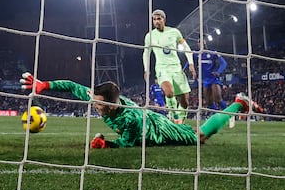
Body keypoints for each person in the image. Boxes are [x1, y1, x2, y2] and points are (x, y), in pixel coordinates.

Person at [20, 72, 263, 148]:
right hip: (147, 122)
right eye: (95, 101)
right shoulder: (100, 98)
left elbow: (128, 144)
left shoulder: (130, 120)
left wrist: (106, 144)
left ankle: (239, 102)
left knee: (199, 137)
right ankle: (239, 104)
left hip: (157, 128)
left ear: (112, 104)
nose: (95, 105)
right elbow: (73, 86)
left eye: (99, 103)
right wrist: (44, 85)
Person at [143, 9, 196, 124]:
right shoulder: (150, 36)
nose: (156, 21)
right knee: (169, 92)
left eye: (159, 19)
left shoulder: (174, 32)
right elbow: (146, 53)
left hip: (176, 68)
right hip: (162, 68)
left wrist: (191, 63)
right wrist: (146, 69)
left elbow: (186, 47)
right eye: (154, 19)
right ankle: (173, 114)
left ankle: (181, 120)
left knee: (184, 101)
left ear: (164, 20)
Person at [194, 39, 227, 112]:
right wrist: (188, 70)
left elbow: (224, 63)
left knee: (217, 98)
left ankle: (230, 115)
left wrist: (218, 72)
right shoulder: (196, 54)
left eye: (203, 42)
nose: (201, 44)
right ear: (198, 44)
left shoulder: (212, 53)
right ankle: (217, 115)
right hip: (205, 80)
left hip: (213, 78)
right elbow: (188, 62)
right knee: (208, 101)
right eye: (199, 42)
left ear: (205, 43)